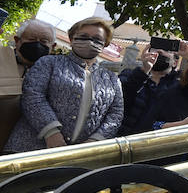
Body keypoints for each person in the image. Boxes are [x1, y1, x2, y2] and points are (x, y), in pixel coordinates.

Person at [4, 17, 124, 153]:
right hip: (27, 148)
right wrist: (50, 132)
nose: (90, 41)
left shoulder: (112, 79)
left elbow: (115, 114)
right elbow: (32, 95)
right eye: (83, 36)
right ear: (72, 39)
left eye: (97, 38)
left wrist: (94, 142)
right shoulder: (49, 63)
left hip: (76, 157)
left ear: (105, 44)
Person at [117, 40, 186, 135]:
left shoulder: (180, 85)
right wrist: (143, 71)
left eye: (167, 50)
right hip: (122, 138)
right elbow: (120, 100)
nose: (160, 51)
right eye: (155, 48)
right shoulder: (129, 75)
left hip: (157, 142)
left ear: (175, 62)